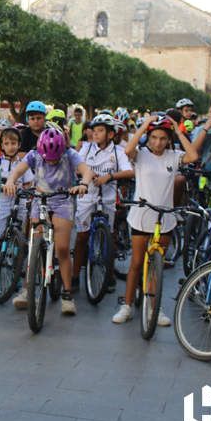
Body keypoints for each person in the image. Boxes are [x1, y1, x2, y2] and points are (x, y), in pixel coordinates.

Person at [113, 114, 197, 324]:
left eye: (162, 138)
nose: (158, 142)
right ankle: (128, 305)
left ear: (168, 139)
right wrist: (144, 125)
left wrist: (178, 131)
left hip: (165, 218)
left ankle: (154, 308)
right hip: (142, 216)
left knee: (155, 265)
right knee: (137, 262)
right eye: (154, 138)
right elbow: (127, 150)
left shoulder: (174, 156)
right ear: (149, 138)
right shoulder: (140, 154)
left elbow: (193, 155)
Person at [5, 127, 93, 315]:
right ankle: (27, 290)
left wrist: (83, 184)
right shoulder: (34, 155)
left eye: (55, 157)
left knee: (62, 248)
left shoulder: (70, 154)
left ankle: (67, 294)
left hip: (63, 201)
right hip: (40, 199)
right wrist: (11, 181)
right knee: (34, 244)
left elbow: (86, 171)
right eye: (48, 158)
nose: (51, 161)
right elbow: (17, 170)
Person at [72, 114, 133, 293]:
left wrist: (110, 176)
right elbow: (76, 165)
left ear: (110, 134)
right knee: (82, 236)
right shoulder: (86, 148)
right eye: (94, 130)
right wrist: (87, 175)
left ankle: (109, 274)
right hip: (87, 197)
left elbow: (130, 171)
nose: (96, 134)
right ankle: (75, 276)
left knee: (110, 237)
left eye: (100, 131)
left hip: (107, 198)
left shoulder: (118, 152)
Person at [0, 127, 33, 239]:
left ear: (19, 145)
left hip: (20, 204)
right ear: (2, 146)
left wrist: (23, 188)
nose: (10, 147)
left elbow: (28, 183)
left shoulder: (23, 164)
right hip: (1, 204)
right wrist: (2, 186)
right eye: (7, 143)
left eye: (13, 143)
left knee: (19, 234)